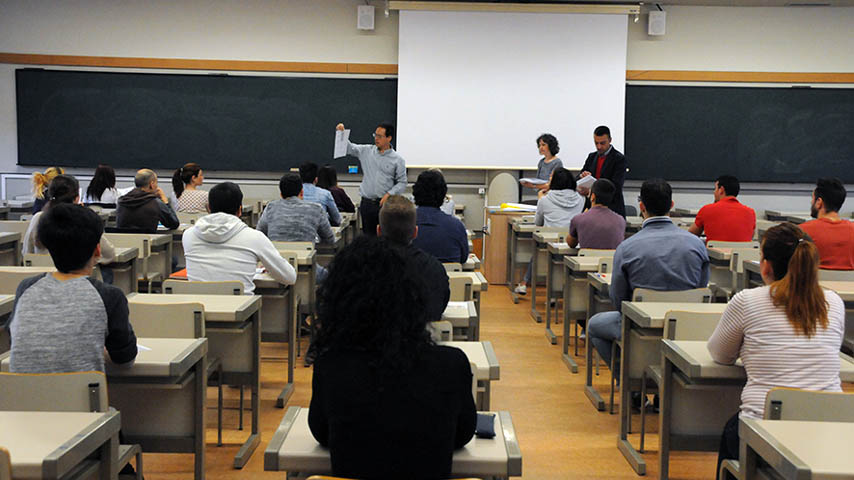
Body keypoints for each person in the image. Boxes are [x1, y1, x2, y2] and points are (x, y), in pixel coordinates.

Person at [308, 234, 476, 480]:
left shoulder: (330, 364)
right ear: (412, 297)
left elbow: (322, 432)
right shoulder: (451, 364)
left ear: (339, 302)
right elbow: (462, 435)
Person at [709, 223, 844, 479]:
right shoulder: (833, 302)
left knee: (731, 430)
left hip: (764, 432)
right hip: (829, 432)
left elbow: (720, 354)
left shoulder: (747, 301)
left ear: (766, 266)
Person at [587, 178, 709, 371]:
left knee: (594, 325)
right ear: (671, 205)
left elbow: (618, 299)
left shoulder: (627, 248)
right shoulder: (696, 244)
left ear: (641, 206)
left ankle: (628, 381)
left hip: (638, 329)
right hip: (686, 328)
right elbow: (702, 291)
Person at [9, 203, 137, 373]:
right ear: (97, 251)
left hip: (22, 398)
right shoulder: (109, 296)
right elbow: (124, 360)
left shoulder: (26, 288)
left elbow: (16, 342)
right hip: (82, 398)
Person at [183, 182, 296, 294]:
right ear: (240, 210)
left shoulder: (188, 235)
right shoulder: (254, 238)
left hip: (197, 308)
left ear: (208, 208)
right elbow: (289, 277)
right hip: (240, 309)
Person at [378, 195, 450, 323]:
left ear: (379, 231)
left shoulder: (361, 267)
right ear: (415, 232)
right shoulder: (434, 268)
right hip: (422, 339)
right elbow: (439, 308)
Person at [515, 167, 584, 295]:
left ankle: (525, 283)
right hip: (572, 242)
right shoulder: (581, 199)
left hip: (550, 243)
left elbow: (538, 223)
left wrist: (540, 199)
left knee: (537, 250)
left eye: (551, 177)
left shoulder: (545, 200)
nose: (549, 180)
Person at [23, 174, 116, 268]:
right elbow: (109, 255)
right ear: (77, 198)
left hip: (42, 276)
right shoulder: (85, 219)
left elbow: (26, 252)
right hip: (81, 278)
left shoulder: (38, 218)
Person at [257, 173, 334, 283]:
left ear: (281, 194)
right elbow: (330, 240)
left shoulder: (270, 208)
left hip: (276, 269)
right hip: (308, 271)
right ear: (301, 192)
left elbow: (259, 235)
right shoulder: (316, 209)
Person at [336, 122, 407, 236]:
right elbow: (349, 148)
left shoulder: (398, 160)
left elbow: (402, 182)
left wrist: (389, 194)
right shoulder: (366, 151)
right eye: (375, 135)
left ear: (389, 138)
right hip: (367, 204)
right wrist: (342, 133)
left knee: (385, 238)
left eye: (380, 136)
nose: (376, 139)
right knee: (368, 239)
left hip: (385, 205)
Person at [411, 170, 469, 264]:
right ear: (443, 195)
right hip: (448, 277)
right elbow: (463, 259)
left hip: (411, 277)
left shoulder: (404, 224)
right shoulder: (456, 226)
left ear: (415, 193)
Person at [799, 177, 854, 270]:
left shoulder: (801, 231)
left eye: (812, 198)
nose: (811, 202)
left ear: (819, 202)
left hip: (812, 284)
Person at [688, 175, 756, 242]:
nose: (714, 192)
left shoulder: (707, 209)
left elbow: (690, 236)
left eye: (715, 189)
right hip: (743, 252)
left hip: (713, 252)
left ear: (721, 190)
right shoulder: (750, 212)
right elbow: (750, 236)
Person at [579, 126, 627, 217]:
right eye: (596, 143)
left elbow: (616, 185)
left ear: (610, 140)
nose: (599, 146)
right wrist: (583, 176)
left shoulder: (619, 159)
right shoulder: (592, 157)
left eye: (602, 143)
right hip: (592, 207)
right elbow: (579, 176)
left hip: (612, 208)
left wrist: (591, 190)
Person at [568, 178, 626, 249]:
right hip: (611, 260)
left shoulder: (579, 219)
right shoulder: (620, 220)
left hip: (587, 259)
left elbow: (571, 243)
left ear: (592, 197)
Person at [116, 169, 180, 232]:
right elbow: (174, 223)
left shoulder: (121, 201)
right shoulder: (155, 202)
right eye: (156, 182)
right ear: (152, 184)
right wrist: (166, 202)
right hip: (146, 241)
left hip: (122, 241)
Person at [299, 162, 341, 226]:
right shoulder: (325, 194)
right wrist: (325, 216)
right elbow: (337, 219)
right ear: (316, 179)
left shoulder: (293, 194)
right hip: (320, 232)